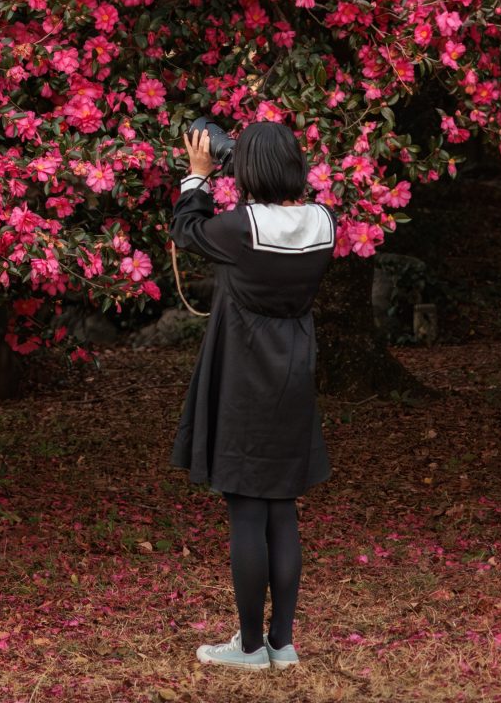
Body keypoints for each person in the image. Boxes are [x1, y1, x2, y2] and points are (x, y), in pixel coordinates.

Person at [169, 119, 337, 670]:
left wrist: (198, 175)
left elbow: (186, 231)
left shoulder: (240, 228)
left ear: (248, 169)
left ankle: (248, 648)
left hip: (243, 375)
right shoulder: (324, 222)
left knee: (246, 509)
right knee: (282, 509)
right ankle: (283, 644)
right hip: (293, 372)